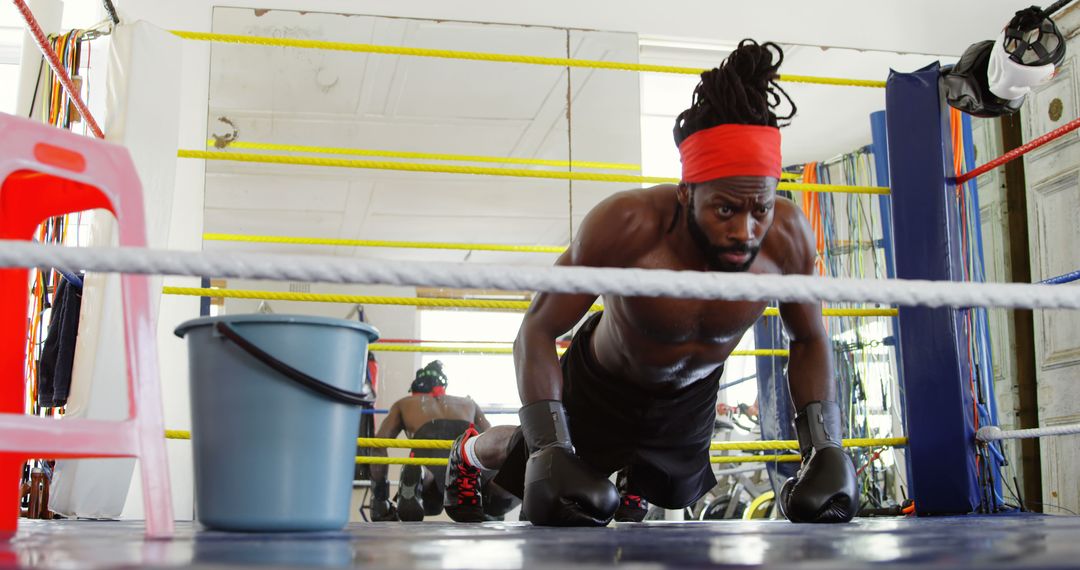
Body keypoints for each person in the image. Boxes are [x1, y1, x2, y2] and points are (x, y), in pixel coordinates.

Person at [441, 39, 858, 526]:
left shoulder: (787, 239)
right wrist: (550, 445)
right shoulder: (627, 227)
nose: (744, 231)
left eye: (758, 209)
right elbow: (535, 329)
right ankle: (470, 453)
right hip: (602, 385)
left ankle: (630, 478)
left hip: (691, 399)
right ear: (687, 192)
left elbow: (808, 337)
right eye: (725, 208)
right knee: (518, 478)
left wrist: (824, 445)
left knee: (639, 512)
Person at [368, 361, 518, 521]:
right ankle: (521, 489)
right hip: (466, 463)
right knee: (490, 495)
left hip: (431, 458)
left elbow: (379, 445)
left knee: (431, 494)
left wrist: (380, 498)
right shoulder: (468, 403)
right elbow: (492, 440)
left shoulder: (404, 404)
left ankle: (420, 473)